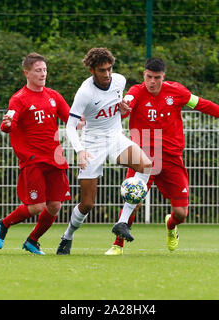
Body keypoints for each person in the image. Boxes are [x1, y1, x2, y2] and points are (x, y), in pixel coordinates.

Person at [105, 57, 219, 255]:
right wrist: (122, 107)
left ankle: (170, 225)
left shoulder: (176, 91)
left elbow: (204, 104)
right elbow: (125, 106)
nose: (152, 82)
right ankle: (118, 245)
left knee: (180, 213)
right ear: (144, 75)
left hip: (171, 159)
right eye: (149, 77)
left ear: (163, 77)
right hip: (141, 159)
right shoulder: (136, 92)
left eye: (156, 78)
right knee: (133, 200)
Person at [56, 48, 152, 255]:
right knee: (87, 204)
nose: (107, 74)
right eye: (102, 70)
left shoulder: (119, 80)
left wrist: (122, 108)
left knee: (146, 165)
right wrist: (80, 151)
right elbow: (70, 127)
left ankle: (122, 223)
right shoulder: (85, 92)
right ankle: (68, 236)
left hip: (115, 137)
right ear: (92, 70)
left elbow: (116, 105)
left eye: (109, 69)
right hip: (92, 144)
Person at [0, 52, 83, 255]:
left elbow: (71, 118)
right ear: (27, 73)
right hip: (33, 159)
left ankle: (32, 241)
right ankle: (3, 224)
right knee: (36, 206)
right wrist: (6, 124)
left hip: (55, 158)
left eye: (44, 70)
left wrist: (84, 120)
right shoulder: (19, 99)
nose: (43, 74)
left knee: (54, 206)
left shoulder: (53, 96)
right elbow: (9, 123)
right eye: (38, 70)